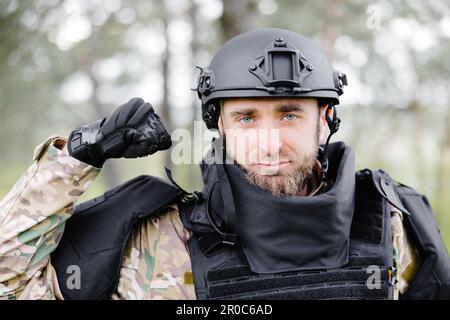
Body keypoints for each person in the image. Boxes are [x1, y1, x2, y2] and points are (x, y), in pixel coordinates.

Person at [0, 28, 449, 300]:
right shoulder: (154, 240)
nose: (269, 142)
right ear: (220, 126)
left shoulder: (392, 225)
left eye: (290, 114)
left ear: (325, 118)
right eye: (247, 117)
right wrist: (79, 154)